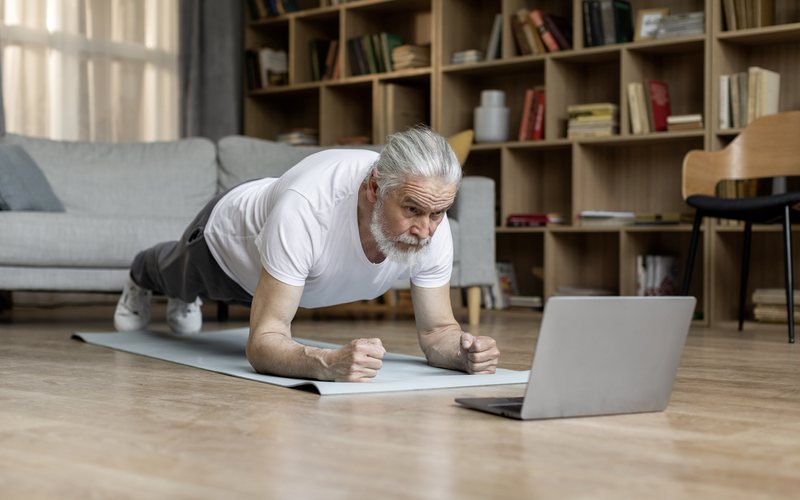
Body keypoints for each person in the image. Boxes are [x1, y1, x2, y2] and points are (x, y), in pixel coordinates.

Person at [114, 126, 500, 382]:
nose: (425, 230)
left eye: (438, 213)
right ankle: (142, 278)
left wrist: (464, 353)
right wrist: (327, 363)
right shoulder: (306, 209)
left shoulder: (431, 221)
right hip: (225, 247)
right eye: (412, 210)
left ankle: (186, 297)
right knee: (172, 274)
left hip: (286, 272)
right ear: (373, 188)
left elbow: (437, 331)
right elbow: (264, 341)